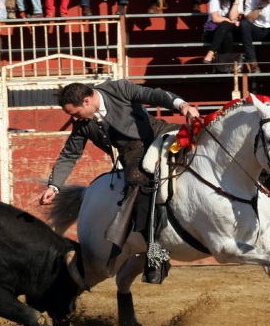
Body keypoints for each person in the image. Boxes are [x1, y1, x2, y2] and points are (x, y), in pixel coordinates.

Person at [39, 80, 200, 283]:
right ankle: (155, 251)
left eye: (75, 113)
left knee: (204, 141)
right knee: (139, 184)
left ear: (87, 101)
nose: (74, 118)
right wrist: (54, 186)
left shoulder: (118, 89)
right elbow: (70, 154)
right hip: (133, 154)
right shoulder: (82, 123)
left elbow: (153, 94)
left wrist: (182, 105)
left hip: (157, 133)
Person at [202, 0, 245, 64]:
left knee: (226, 26)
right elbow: (215, 19)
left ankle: (211, 52)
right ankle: (227, 66)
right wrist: (231, 21)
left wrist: (236, 1)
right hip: (214, 31)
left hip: (231, 30)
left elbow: (233, 17)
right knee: (227, 33)